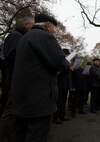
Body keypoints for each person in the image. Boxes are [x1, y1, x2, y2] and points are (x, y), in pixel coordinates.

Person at [11, 13, 70, 142]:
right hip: (38, 97)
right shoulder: (44, 36)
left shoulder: (25, 37)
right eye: (53, 28)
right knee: (37, 134)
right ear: (48, 26)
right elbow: (59, 62)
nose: (54, 31)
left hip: (22, 96)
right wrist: (67, 63)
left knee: (20, 133)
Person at [0, 17, 34, 142]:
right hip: (15, 81)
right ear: (26, 25)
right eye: (33, 25)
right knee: (10, 111)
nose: (34, 27)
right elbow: (12, 57)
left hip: (19, 81)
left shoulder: (21, 36)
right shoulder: (15, 36)